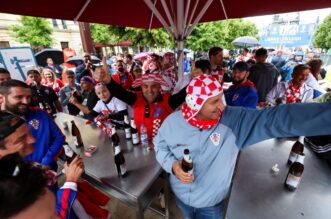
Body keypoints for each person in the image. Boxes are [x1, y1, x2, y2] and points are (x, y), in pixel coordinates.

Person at [154, 74, 331, 219]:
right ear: (195, 104)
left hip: (211, 205)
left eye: (220, 98)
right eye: (214, 102)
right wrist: (173, 165)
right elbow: (160, 146)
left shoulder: (234, 121)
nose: (222, 106)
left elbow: (277, 118)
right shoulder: (172, 122)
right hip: (181, 198)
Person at [99, 59, 187, 143]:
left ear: (159, 87)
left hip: (164, 145)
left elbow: (184, 93)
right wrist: (108, 81)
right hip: (141, 144)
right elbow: (120, 93)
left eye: (154, 86)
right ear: (141, 87)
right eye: (145, 86)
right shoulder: (136, 99)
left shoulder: (168, 101)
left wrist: (196, 79)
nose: (150, 90)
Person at [0, 79, 65, 171]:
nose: (26, 102)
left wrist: (47, 159)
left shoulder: (40, 114)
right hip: (20, 179)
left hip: (49, 167)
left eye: (28, 97)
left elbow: (59, 138)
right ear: (1, 98)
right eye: (19, 97)